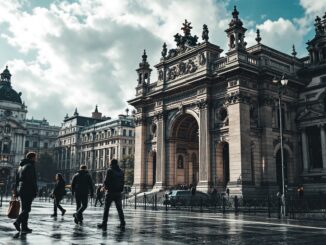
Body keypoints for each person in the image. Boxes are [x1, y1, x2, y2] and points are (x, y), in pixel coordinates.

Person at [13, 152, 38, 233]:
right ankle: (18, 221)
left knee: (24, 209)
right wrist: (35, 190)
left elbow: (16, 180)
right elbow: (32, 180)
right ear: (32, 158)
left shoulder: (20, 166)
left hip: (21, 189)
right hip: (28, 189)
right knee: (27, 208)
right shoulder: (30, 166)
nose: (36, 159)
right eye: (35, 157)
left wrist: (16, 191)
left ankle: (24, 227)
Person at [97, 159, 125, 231]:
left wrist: (105, 188)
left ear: (111, 163)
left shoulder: (110, 170)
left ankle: (104, 223)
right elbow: (122, 181)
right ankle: (122, 223)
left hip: (110, 192)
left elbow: (106, 181)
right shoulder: (121, 171)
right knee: (119, 209)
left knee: (106, 208)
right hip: (118, 192)